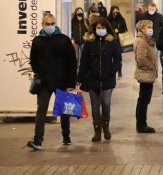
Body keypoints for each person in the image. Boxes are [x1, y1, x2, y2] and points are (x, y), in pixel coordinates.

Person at [27, 13, 77, 150]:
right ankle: (38, 140)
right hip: (44, 82)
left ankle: (66, 136)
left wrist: (71, 83)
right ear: (43, 25)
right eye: (47, 24)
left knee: (64, 111)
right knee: (41, 110)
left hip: (62, 82)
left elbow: (72, 62)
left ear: (56, 24)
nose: (50, 27)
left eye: (52, 24)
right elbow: (33, 60)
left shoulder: (64, 40)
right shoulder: (37, 41)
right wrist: (39, 71)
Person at [77, 17, 122, 142]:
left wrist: (111, 71)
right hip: (93, 79)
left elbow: (118, 59)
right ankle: (97, 131)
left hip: (108, 80)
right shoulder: (89, 43)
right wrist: (79, 78)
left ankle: (106, 127)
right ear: (94, 29)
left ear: (107, 29)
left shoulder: (112, 42)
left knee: (106, 104)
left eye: (103, 28)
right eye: (98, 28)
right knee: (95, 106)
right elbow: (84, 62)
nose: (100, 30)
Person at [134, 20, 157, 133]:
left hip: (148, 73)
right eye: (148, 27)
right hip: (146, 73)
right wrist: (152, 66)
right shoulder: (141, 41)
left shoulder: (146, 40)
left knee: (144, 99)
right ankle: (141, 125)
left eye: (151, 27)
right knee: (143, 100)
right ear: (142, 28)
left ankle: (142, 124)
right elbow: (141, 59)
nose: (150, 29)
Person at [107, 6, 127, 78]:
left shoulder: (121, 19)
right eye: (114, 10)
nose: (115, 12)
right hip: (110, 40)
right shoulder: (108, 19)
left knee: (118, 57)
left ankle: (119, 71)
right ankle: (110, 71)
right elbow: (106, 28)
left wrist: (119, 30)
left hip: (119, 41)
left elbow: (125, 29)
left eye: (117, 10)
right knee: (109, 56)